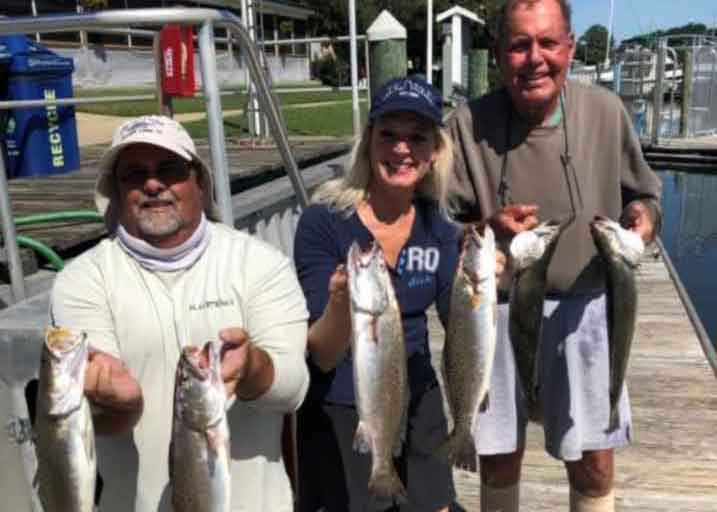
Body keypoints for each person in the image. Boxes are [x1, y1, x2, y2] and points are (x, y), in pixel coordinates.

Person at [446, 1, 662, 512]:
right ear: (498, 54)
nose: (534, 59)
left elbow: (645, 194)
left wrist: (644, 220)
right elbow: (439, 226)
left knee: (593, 461)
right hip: (493, 314)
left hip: (587, 311)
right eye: (519, 45)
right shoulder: (464, 125)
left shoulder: (606, 112)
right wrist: (484, 229)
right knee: (498, 458)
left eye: (547, 43)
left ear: (569, 46)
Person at [49, 115, 309, 512]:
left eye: (169, 169)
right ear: (117, 194)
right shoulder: (82, 281)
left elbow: (293, 389)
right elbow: (94, 421)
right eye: (134, 175)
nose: (153, 184)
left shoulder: (260, 263)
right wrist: (122, 404)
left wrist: (254, 367)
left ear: (199, 183)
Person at [293, 75, 458, 512]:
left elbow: (460, 325)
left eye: (417, 137)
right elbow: (322, 353)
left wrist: (490, 282)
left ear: (434, 152)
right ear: (368, 142)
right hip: (346, 401)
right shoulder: (324, 222)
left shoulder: (439, 228)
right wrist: (340, 304)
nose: (401, 149)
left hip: (419, 393)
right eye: (388, 135)